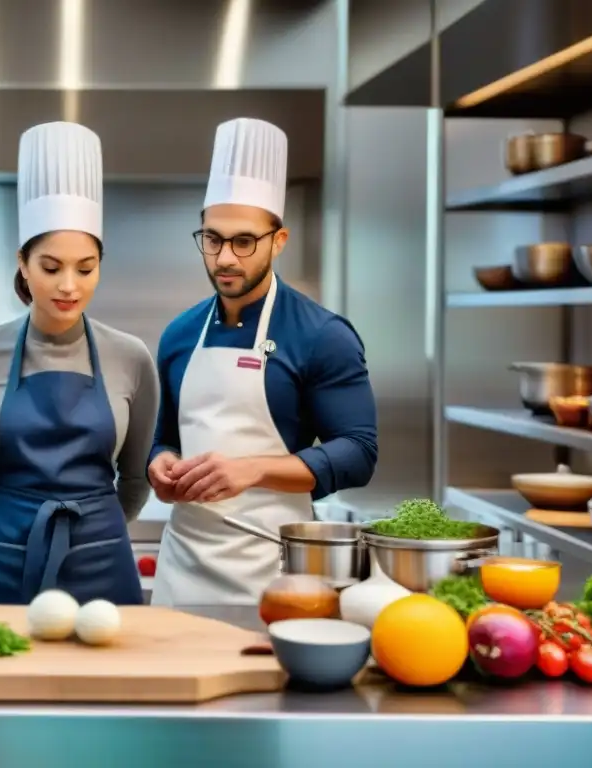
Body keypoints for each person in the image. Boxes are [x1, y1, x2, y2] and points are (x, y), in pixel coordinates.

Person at [147, 117, 379, 606]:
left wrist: (252, 469)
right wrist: (160, 465)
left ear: (279, 240)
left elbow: (358, 453)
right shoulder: (179, 334)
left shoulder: (322, 335)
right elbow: (166, 435)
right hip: (182, 567)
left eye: (244, 241)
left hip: (274, 570)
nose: (225, 258)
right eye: (212, 239)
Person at [0, 121, 159, 606]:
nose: (69, 285)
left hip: (102, 560)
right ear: (23, 263)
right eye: (51, 267)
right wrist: (7, 519)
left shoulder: (130, 356)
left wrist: (97, 529)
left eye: (86, 269)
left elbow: (135, 478)